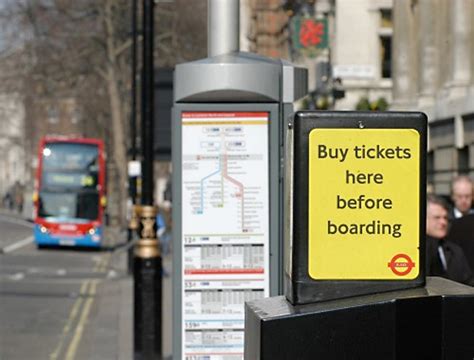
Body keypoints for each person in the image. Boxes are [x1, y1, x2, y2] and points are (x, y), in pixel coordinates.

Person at [426, 194, 473, 286]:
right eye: (437, 217)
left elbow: (468, 281)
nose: (443, 222)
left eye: (445, 218)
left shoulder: (454, 250)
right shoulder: (415, 251)